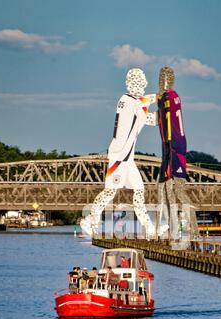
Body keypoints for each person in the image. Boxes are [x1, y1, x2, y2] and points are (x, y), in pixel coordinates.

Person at [80, 68, 168, 238]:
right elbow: (142, 102)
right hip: (119, 156)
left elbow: (151, 119)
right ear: (133, 82)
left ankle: (149, 227)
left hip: (128, 159)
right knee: (110, 191)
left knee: (139, 191)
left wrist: (168, 110)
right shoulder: (127, 100)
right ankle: (90, 219)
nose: (144, 83)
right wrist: (159, 95)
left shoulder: (136, 104)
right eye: (141, 81)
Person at [155, 66, 199, 241]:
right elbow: (159, 119)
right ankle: (163, 230)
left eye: (166, 79)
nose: (163, 82)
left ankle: (193, 230)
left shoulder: (172, 97)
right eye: (161, 78)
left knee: (178, 191)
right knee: (161, 188)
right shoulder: (162, 97)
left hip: (176, 147)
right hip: (166, 148)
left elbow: (174, 125)